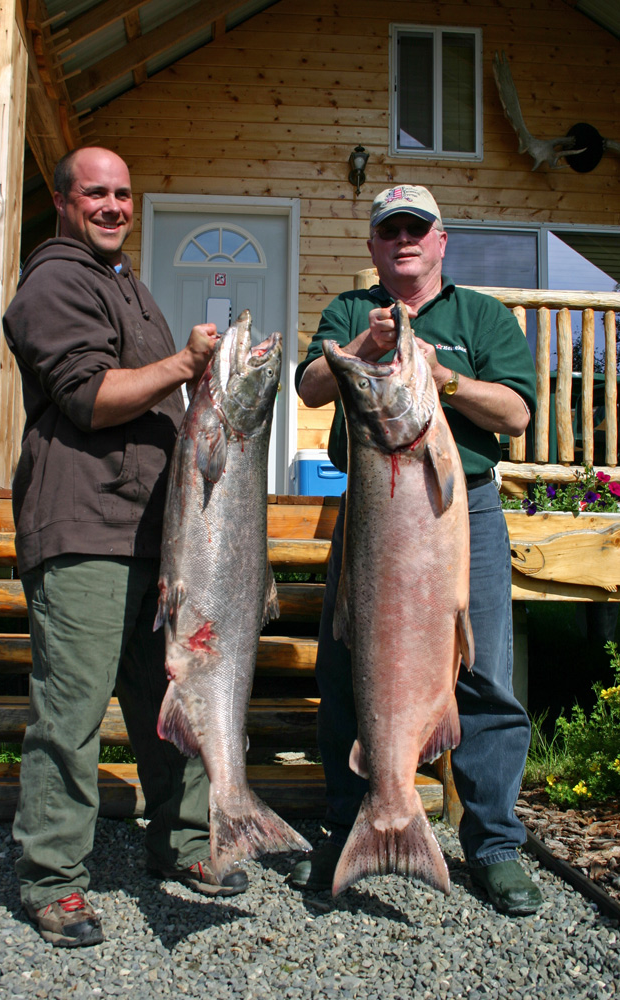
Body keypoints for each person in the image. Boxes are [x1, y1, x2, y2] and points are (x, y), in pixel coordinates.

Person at [3, 147, 248, 949]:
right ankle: (53, 880)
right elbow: (87, 397)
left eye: (122, 194)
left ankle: (179, 843)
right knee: (71, 714)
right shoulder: (55, 281)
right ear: (63, 200)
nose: (112, 205)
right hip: (83, 530)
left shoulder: (125, 285)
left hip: (155, 537)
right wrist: (182, 363)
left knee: (167, 703)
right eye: (96, 193)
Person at [291, 184, 543, 916]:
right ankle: (354, 824)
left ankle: (492, 844)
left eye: (417, 228)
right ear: (374, 246)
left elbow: (517, 413)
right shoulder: (347, 311)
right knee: (347, 662)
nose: (404, 238)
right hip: (374, 511)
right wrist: (363, 348)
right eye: (389, 229)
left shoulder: (479, 316)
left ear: (439, 241)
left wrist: (446, 379)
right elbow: (310, 389)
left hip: (464, 512)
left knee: (483, 673)